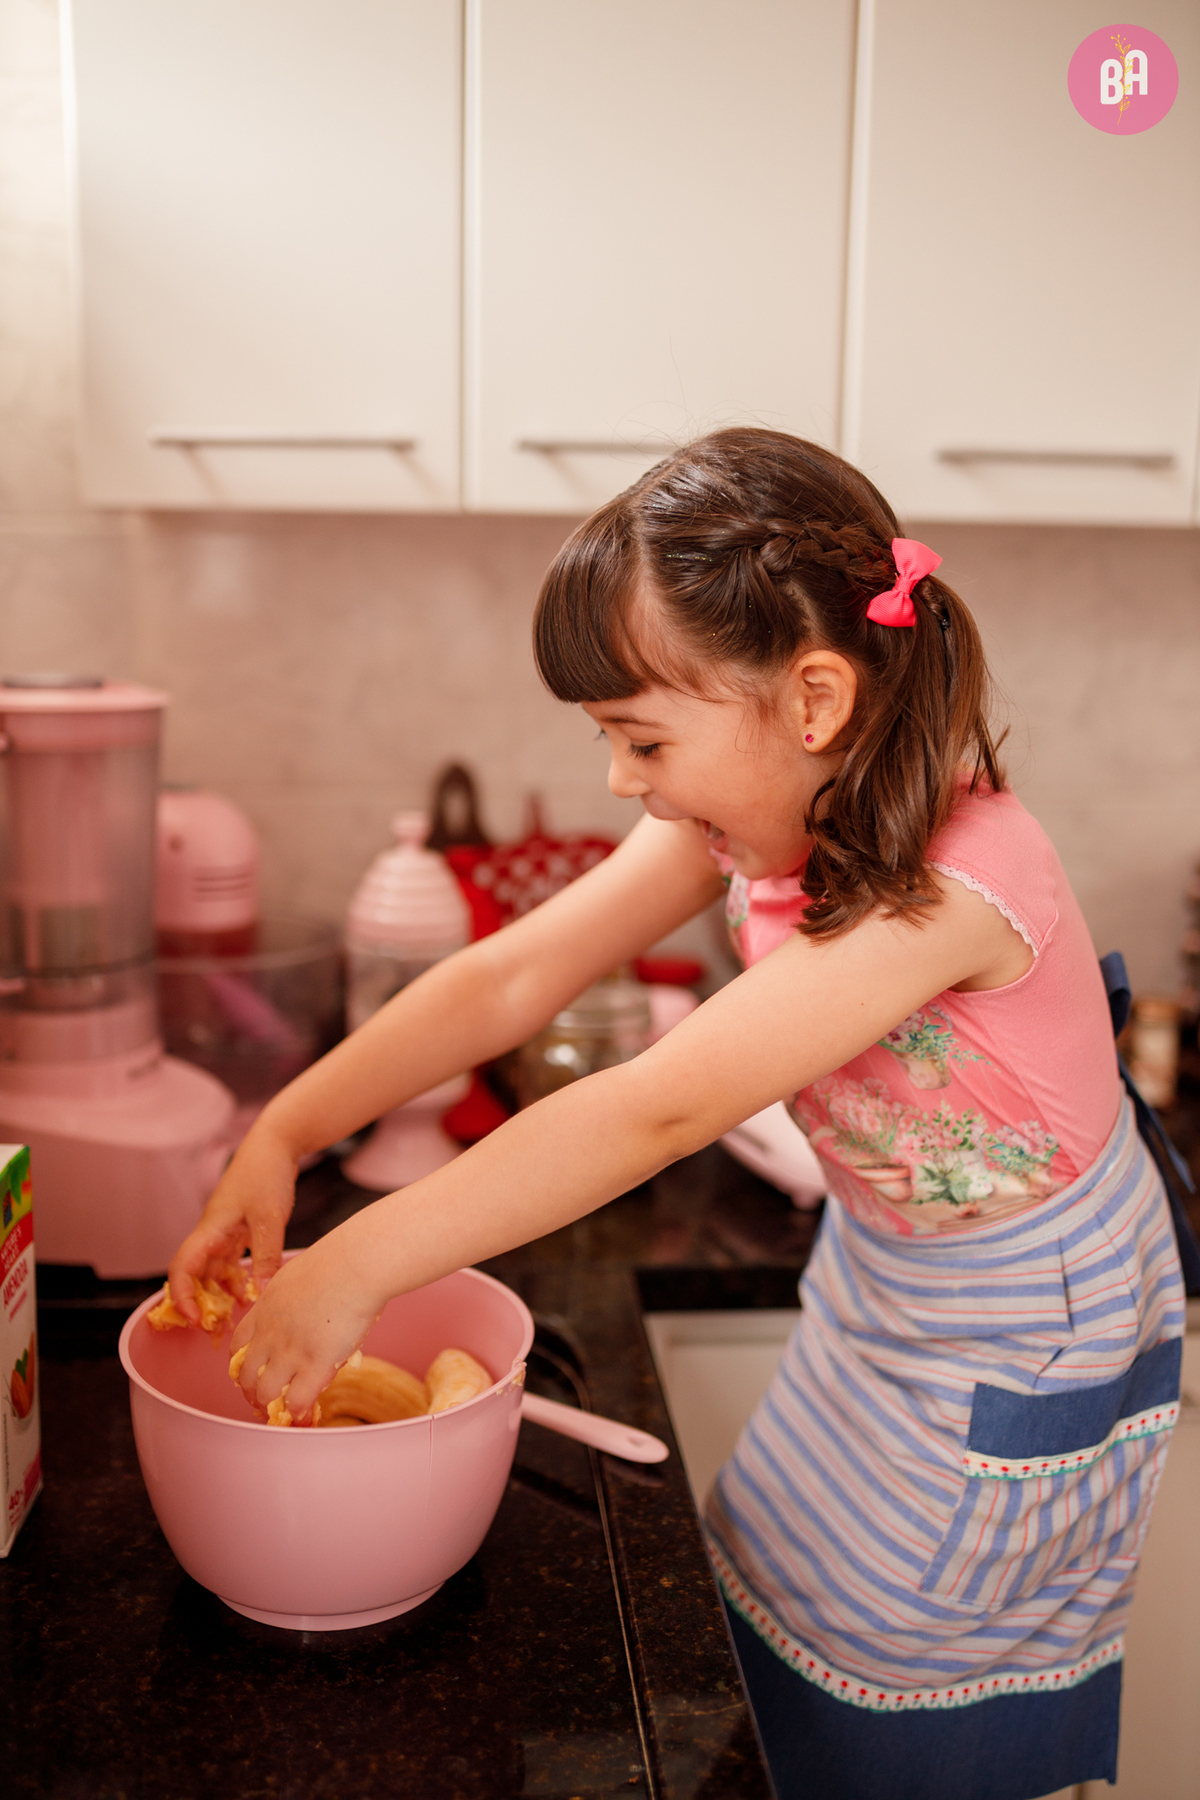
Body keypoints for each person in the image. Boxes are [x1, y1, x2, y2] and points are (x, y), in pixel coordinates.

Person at [169, 429, 1184, 1800]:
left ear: (812, 699)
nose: (618, 779)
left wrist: (358, 1263)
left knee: (908, 1681)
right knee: (772, 1604)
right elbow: (513, 971)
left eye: (641, 737)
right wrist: (282, 1132)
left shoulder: (956, 883)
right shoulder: (754, 809)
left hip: (1026, 1324)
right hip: (887, 1275)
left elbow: (654, 1109)